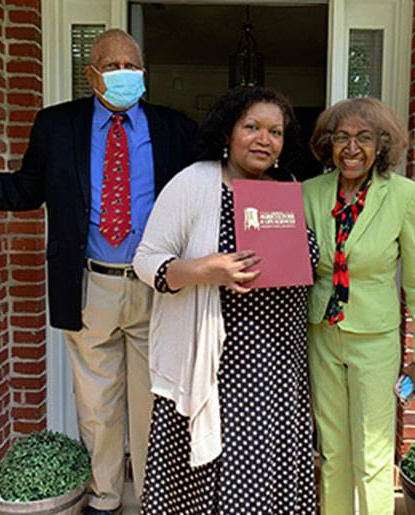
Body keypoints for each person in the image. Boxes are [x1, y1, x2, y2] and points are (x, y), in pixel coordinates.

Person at [0, 29, 197, 515]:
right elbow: (24, 190)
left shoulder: (175, 129)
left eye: (133, 64)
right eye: (113, 64)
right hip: (88, 283)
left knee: (152, 407)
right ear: (91, 74)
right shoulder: (57, 126)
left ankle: (153, 499)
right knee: (97, 406)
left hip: (156, 287)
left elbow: (207, 191)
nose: (125, 73)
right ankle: (104, 498)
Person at [132, 86, 318, 514]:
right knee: (221, 469)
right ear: (228, 132)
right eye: (251, 127)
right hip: (218, 361)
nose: (263, 139)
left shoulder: (287, 186)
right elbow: (146, 261)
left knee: (269, 467)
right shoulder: (195, 181)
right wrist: (204, 271)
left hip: (278, 359)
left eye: (275, 131)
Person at [302, 97, 415, 514]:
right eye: (341, 137)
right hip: (322, 333)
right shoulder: (308, 193)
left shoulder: (405, 196)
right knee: (334, 453)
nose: (351, 148)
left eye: (363, 137)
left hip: (375, 340)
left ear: (382, 145)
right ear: (328, 145)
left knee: (375, 456)